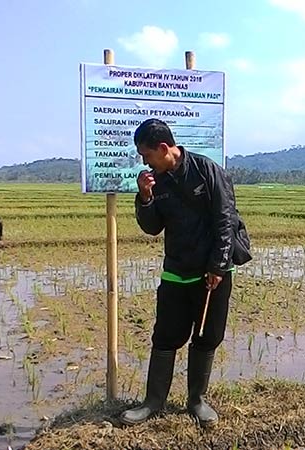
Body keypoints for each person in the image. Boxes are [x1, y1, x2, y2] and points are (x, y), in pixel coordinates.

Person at [119, 118, 238, 428]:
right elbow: (152, 226)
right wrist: (144, 197)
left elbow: (226, 220)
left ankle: (196, 400)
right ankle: (153, 401)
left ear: (163, 148)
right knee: (165, 337)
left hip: (211, 273)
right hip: (176, 270)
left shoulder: (207, 171)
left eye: (146, 155)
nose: (144, 161)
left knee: (206, 336)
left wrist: (218, 267)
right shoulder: (155, 182)